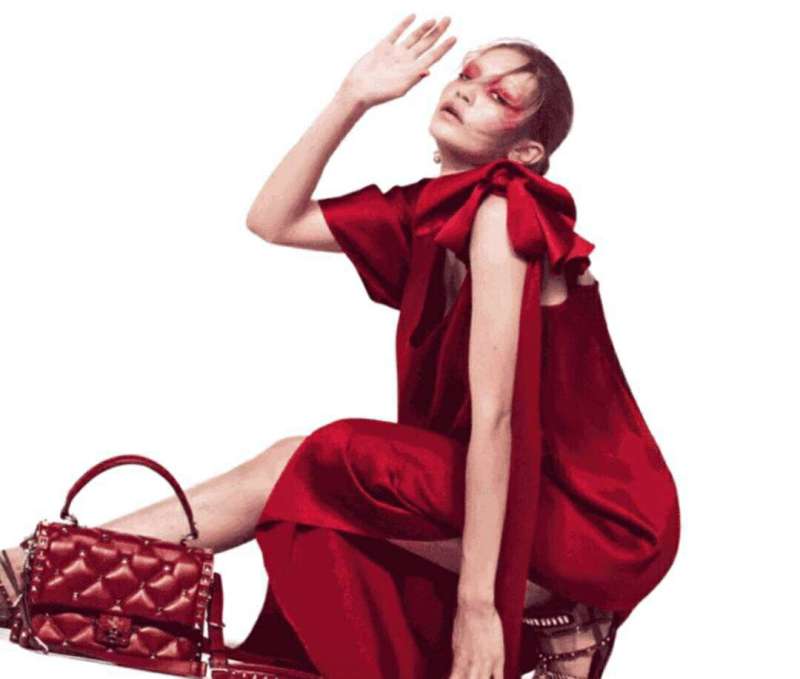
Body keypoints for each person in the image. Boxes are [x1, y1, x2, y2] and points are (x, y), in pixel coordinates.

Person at [0, 14, 681, 679]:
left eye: (499, 96)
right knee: (309, 495)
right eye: (469, 74)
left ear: (526, 153)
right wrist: (353, 96)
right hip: (504, 497)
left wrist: (481, 609)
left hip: (596, 519)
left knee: (321, 458)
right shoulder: (430, 214)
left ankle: (36, 569)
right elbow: (273, 219)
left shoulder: (506, 214)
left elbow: (500, 419)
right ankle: (40, 571)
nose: (468, 90)